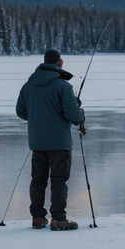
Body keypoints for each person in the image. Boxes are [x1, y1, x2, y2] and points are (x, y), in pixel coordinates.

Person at [15, 49, 86, 231]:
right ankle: (58, 219)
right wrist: (80, 113)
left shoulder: (28, 86)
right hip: (59, 143)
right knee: (58, 180)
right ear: (59, 63)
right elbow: (73, 115)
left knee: (38, 180)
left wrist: (39, 118)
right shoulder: (63, 87)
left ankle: (38, 218)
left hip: (37, 142)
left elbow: (21, 112)